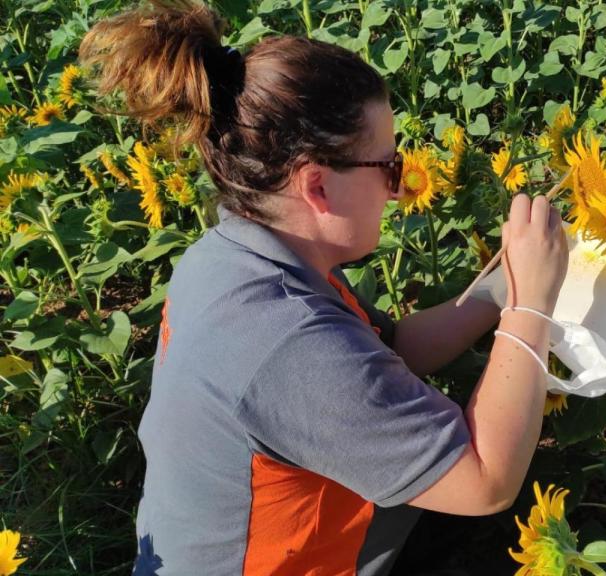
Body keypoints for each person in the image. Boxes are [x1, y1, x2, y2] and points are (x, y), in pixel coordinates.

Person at [78, 1, 569, 574]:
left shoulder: (234, 255)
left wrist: (501, 290)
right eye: (388, 166)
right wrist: (532, 308)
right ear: (317, 186)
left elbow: (395, 348)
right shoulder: (288, 342)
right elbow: (485, 482)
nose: (397, 189)